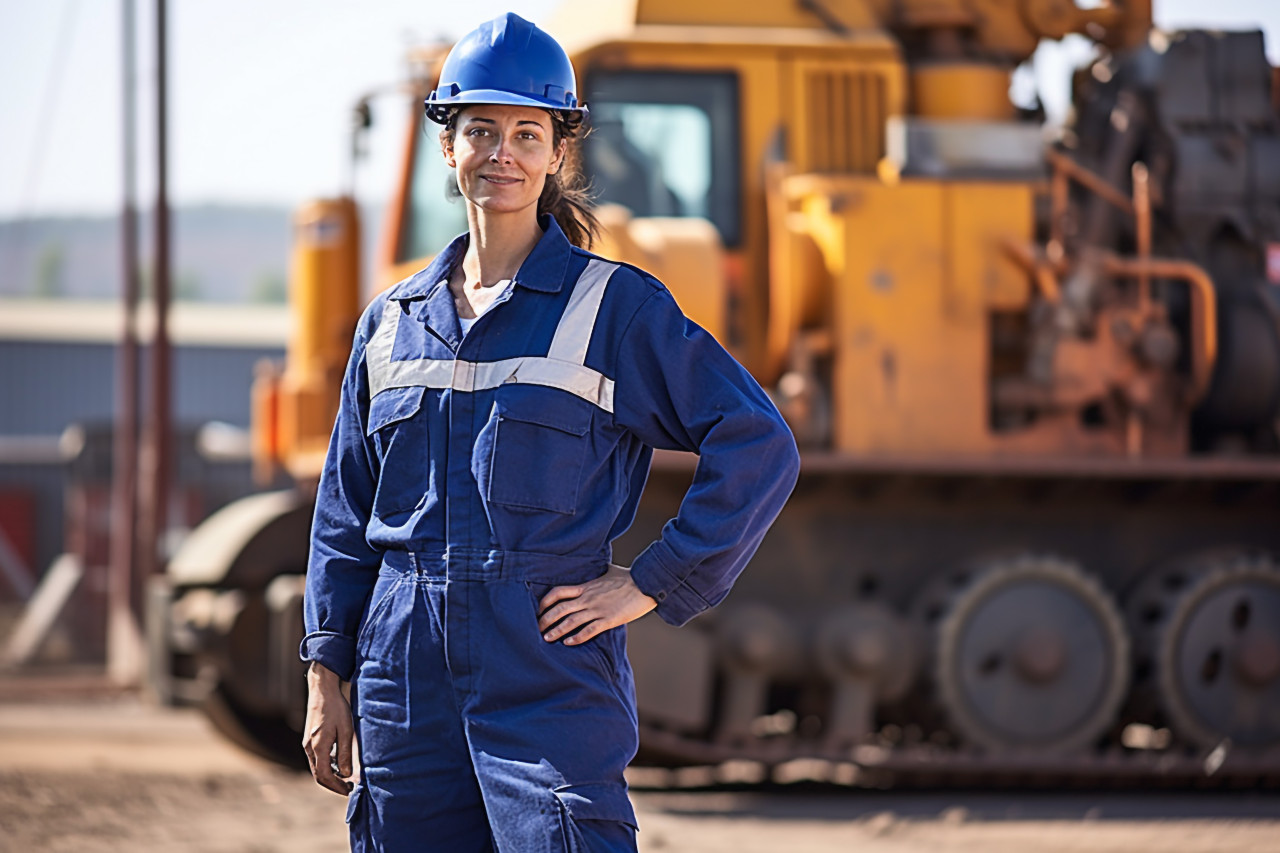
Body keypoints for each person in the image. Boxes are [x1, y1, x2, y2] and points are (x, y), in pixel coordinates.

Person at [299, 12, 800, 853]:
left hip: (546, 667)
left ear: (558, 152)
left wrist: (651, 582)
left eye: (527, 133)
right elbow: (344, 516)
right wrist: (326, 672)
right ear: (448, 146)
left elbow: (758, 442)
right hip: (403, 678)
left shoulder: (615, 308)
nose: (502, 153)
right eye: (480, 130)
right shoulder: (389, 324)